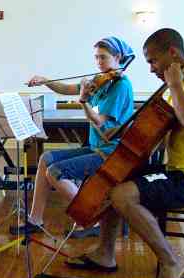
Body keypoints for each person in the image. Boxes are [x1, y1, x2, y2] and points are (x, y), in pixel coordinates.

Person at [66, 28, 184, 278]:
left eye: (153, 61)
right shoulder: (179, 88)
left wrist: (175, 85)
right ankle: (105, 253)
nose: (150, 69)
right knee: (117, 178)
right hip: (175, 170)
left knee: (122, 194)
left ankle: (173, 261)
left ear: (172, 53)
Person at [10, 37, 134, 235]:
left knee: (55, 172)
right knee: (45, 159)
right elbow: (67, 89)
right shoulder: (100, 81)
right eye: (96, 58)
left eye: (103, 57)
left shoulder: (120, 86)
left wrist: (83, 101)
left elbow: (99, 121)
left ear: (118, 57)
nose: (99, 62)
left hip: (112, 153)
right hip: (96, 147)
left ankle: (93, 220)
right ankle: (36, 219)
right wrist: (45, 80)